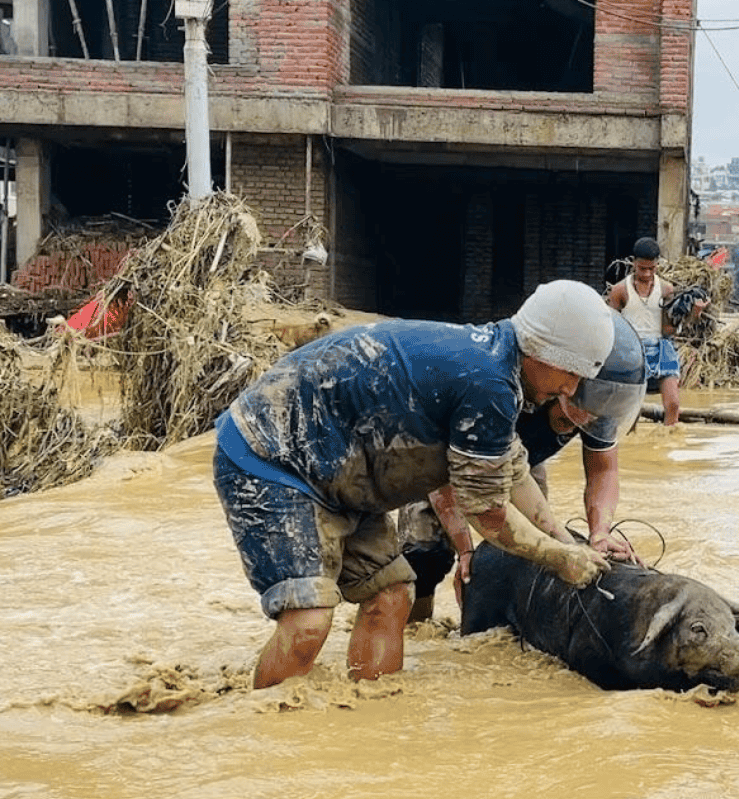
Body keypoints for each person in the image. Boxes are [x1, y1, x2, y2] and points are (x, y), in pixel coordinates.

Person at [213, 280, 616, 688]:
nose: (570, 390)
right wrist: (558, 559)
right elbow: (488, 512)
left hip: (338, 476)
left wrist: (567, 542)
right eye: (571, 373)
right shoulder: (489, 381)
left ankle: (369, 712)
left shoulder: (500, 372)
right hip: (272, 457)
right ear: (542, 350)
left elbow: (514, 472)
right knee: (308, 620)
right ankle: (269, 720)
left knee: (391, 596)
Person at [403, 314, 646, 622]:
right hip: (443, 458)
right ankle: (415, 627)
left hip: (523, 463)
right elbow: (444, 479)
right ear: (566, 381)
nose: (587, 420)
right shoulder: (503, 388)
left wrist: (599, 532)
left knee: (534, 552)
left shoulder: (599, 404)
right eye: (579, 411)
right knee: (425, 556)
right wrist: (466, 551)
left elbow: (603, 471)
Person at [606, 236, 704, 427]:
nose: (647, 273)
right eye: (642, 268)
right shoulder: (620, 291)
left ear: (657, 264)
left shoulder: (666, 289)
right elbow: (611, 327)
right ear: (633, 263)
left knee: (673, 405)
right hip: (631, 350)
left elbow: (668, 329)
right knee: (631, 409)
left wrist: (694, 314)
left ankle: (668, 438)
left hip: (661, 346)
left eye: (652, 268)